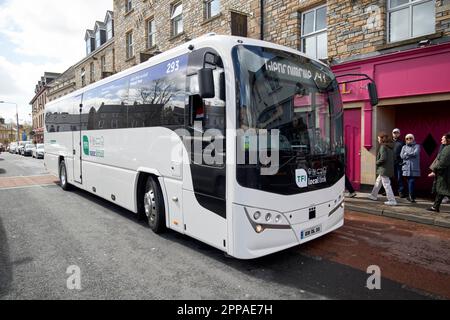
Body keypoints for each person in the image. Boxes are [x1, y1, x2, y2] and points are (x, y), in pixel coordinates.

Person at [367, 132, 397, 206]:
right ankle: (373, 195)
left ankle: (392, 200)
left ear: (382, 139)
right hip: (387, 168)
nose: (378, 140)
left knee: (386, 184)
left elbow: (383, 158)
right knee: (378, 181)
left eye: (378, 138)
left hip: (384, 169)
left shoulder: (383, 147)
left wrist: (376, 162)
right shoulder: (389, 147)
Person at [428, 133, 450, 212]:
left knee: (445, 190)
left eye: (443, 138)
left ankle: (435, 207)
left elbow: (443, 162)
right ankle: (435, 207)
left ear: (448, 139)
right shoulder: (445, 147)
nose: (441, 140)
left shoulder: (448, 148)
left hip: (445, 173)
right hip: (444, 173)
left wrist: (436, 169)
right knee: (441, 190)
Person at [400, 134, 421, 203]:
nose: (409, 139)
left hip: (413, 167)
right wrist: (408, 154)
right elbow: (402, 156)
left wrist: (406, 154)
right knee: (409, 182)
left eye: (410, 138)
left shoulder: (417, 146)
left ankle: (411, 196)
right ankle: (411, 196)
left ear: (413, 139)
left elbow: (415, 153)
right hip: (406, 168)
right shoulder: (403, 147)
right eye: (407, 138)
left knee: (411, 181)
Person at [392, 128, 406, 197]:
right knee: (390, 178)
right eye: (394, 133)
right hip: (391, 163)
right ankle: (390, 191)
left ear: (399, 134)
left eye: (397, 133)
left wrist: (402, 161)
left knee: (399, 178)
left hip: (399, 163)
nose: (395, 134)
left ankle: (401, 191)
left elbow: (404, 153)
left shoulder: (402, 142)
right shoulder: (390, 142)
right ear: (392, 134)